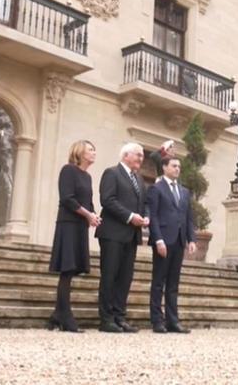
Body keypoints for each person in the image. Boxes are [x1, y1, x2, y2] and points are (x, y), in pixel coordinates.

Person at [46, 140, 102, 333]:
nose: (94, 153)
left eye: (94, 150)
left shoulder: (87, 176)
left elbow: (88, 201)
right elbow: (67, 198)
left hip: (80, 226)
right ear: (80, 152)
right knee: (67, 269)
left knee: (72, 269)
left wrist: (93, 216)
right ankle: (65, 316)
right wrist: (88, 215)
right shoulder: (68, 170)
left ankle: (57, 314)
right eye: (90, 150)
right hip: (68, 224)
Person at [96, 142, 148, 333]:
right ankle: (106, 319)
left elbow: (144, 203)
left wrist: (145, 217)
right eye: (138, 154)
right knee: (109, 276)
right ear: (126, 155)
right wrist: (130, 216)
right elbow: (107, 200)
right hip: (112, 233)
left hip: (131, 236)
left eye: (142, 155)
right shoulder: (112, 173)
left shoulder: (139, 179)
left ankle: (119, 317)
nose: (141, 158)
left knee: (125, 278)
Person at [146, 156, 197, 333]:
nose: (177, 169)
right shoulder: (156, 188)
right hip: (163, 241)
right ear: (164, 167)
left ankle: (172, 321)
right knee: (158, 282)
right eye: (174, 166)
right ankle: (157, 321)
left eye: (179, 166)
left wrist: (192, 239)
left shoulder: (184, 191)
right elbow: (153, 216)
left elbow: (189, 217)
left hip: (179, 241)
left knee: (173, 284)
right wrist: (158, 239)